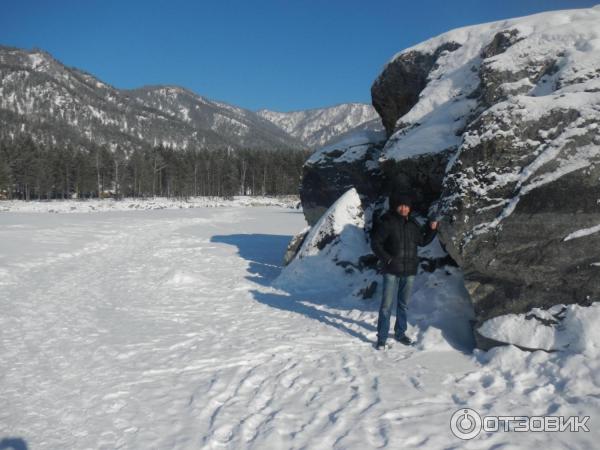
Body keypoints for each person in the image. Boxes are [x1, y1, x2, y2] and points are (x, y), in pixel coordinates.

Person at [370, 191, 438, 350]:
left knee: (403, 305)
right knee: (386, 306)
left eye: (406, 206)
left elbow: (422, 241)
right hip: (391, 270)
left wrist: (432, 228)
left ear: (409, 208)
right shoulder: (387, 222)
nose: (403, 208)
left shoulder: (413, 225)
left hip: (409, 271)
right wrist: (387, 259)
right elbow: (375, 243)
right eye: (401, 205)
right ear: (396, 207)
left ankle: (400, 333)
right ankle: (382, 338)